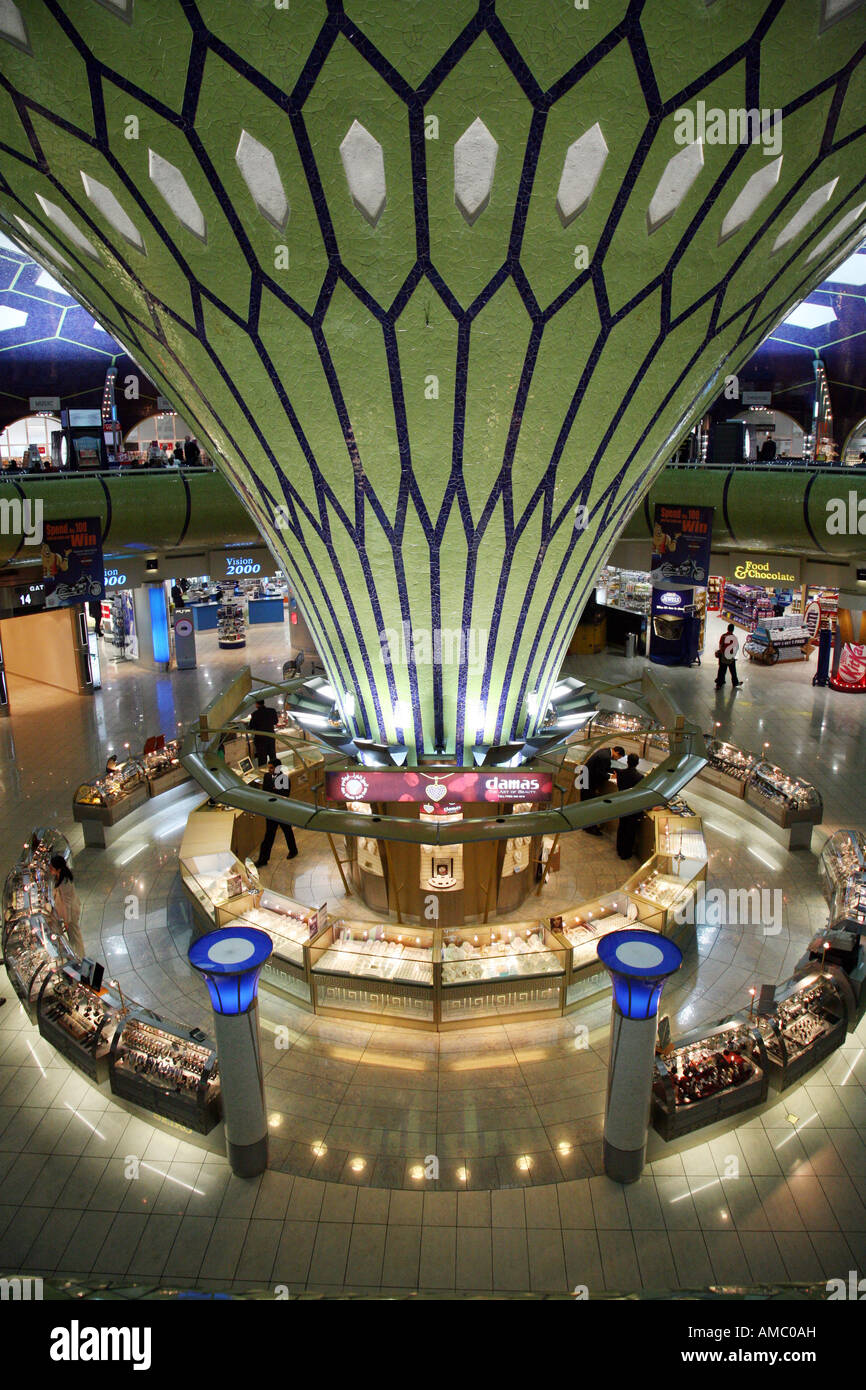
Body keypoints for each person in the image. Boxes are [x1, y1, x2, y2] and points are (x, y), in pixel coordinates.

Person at [255, 759, 298, 865]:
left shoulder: (285, 779)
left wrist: (273, 790)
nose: (269, 770)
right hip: (271, 810)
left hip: (282, 810)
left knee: (287, 831)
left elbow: (285, 794)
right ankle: (263, 859)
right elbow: (266, 791)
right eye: (268, 768)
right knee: (269, 835)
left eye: (271, 768)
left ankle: (293, 850)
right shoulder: (267, 777)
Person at [580, 744, 625, 835]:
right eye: (618, 757)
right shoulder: (605, 757)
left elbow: (604, 768)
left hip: (586, 780)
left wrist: (614, 772)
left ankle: (586, 826)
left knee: (586, 805)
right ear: (617, 752)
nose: (617, 759)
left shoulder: (605, 752)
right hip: (588, 782)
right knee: (589, 806)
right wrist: (610, 776)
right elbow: (599, 772)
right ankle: (590, 828)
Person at [49, 854, 84, 958]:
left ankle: (81, 957)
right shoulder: (60, 877)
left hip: (71, 912)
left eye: (52, 867)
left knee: (74, 936)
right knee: (73, 936)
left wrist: (67, 920)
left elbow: (67, 903)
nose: (50, 869)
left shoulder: (65, 882)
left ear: (58, 869)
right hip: (68, 911)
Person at [615, 752, 644, 860]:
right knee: (630, 831)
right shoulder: (640, 777)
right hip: (633, 806)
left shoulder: (621, 773)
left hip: (622, 804)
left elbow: (619, 786)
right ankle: (626, 853)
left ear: (627, 762)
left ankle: (619, 849)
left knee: (622, 826)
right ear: (637, 763)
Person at [248, 697, 278, 765]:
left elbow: (251, 726)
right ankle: (276, 773)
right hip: (271, 737)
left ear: (256, 704)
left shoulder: (255, 714)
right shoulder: (272, 710)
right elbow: (275, 721)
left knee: (262, 759)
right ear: (263, 703)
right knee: (273, 756)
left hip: (260, 739)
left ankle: (263, 773)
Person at [715, 623, 742, 688]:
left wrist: (722, 653)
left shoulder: (723, 636)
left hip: (723, 656)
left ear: (727, 628)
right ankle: (735, 683)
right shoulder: (734, 638)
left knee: (721, 670)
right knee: (733, 671)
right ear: (733, 630)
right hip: (730, 656)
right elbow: (735, 648)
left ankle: (719, 684)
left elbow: (721, 645)